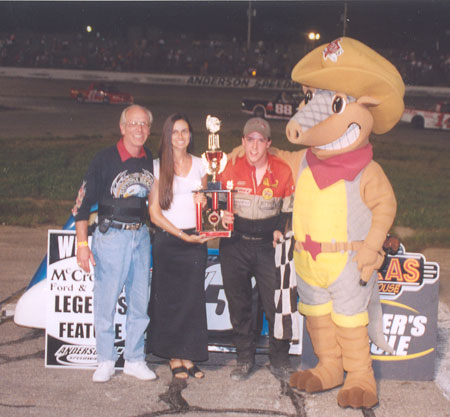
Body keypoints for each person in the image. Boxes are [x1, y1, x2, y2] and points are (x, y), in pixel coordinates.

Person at [73, 104, 157, 383]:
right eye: (133, 123)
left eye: (144, 124)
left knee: (139, 302)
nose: (139, 129)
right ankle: (106, 360)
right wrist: (82, 244)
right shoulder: (104, 159)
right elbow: (82, 204)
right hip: (111, 238)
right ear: (122, 127)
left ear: (149, 129)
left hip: (140, 237)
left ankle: (134, 359)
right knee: (106, 301)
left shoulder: (149, 159)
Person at [218, 117, 295, 381]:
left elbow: (289, 212)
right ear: (242, 141)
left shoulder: (283, 170)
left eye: (260, 141)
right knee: (239, 304)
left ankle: (280, 358)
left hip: (268, 245)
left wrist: (281, 230)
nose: (254, 146)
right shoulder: (228, 167)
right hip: (235, 243)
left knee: (276, 305)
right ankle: (244, 358)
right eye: (249, 140)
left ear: (268, 143)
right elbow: (216, 205)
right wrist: (220, 215)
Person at [147, 113, 213, 380]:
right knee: (170, 300)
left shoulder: (201, 164)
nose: (180, 136)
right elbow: (154, 214)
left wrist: (205, 204)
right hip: (168, 240)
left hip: (195, 240)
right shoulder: (156, 167)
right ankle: (174, 356)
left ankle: (189, 355)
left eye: (184, 131)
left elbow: (206, 206)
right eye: (175, 132)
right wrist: (181, 236)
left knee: (192, 300)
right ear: (167, 136)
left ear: (190, 135)